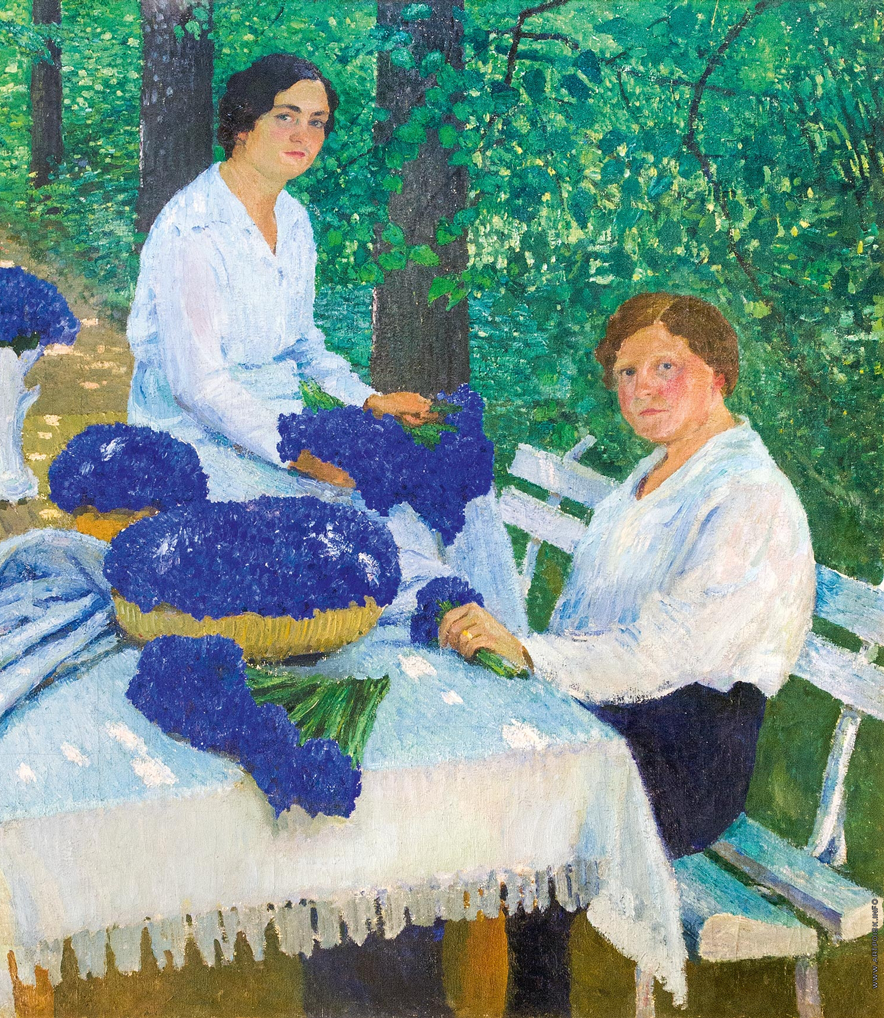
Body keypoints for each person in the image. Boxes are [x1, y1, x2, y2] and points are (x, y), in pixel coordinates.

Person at [439, 292, 815, 1013]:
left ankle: (533, 1004)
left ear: (718, 374)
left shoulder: (749, 496)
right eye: (627, 373)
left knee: (531, 805)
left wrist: (532, 656)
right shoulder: (643, 483)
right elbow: (585, 620)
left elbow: (665, 652)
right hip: (623, 716)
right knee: (487, 762)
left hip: (694, 752)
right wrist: (531, 663)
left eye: (666, 367)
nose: (643, 388)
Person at [126, 52, 526, 629]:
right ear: (243, 124)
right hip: (195, 444)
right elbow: (199, 386)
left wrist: (368, 401)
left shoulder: (293, 222)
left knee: (455, 498)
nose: (304, 135)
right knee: (364, 548)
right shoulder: (195, 229)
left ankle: (506, 640)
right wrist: (300, 454)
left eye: (316, 122)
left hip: (285, 423)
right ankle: (441, 633)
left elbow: (302, 346)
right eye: (286, 116)